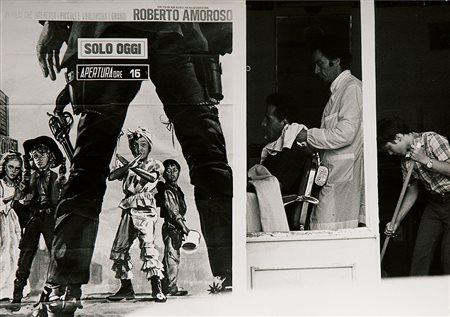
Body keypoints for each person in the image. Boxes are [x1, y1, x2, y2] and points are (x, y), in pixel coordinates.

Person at [36, 21, 232, 303]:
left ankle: (230, 275)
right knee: (90, 160)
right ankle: (63, 283)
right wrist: (54, 19)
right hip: (115, 27)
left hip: (169, 27)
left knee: (209, 156)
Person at [295, 35, 364, 230]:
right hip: (332, 177)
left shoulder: (352, 89)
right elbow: (329, 138)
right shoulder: (337, 92)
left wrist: (308, 135)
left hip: (343, 180)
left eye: (320, 64)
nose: (317, 71)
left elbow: (345, 134)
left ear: (336, 61)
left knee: (330, 234)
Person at [378, 117, 450, 275]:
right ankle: (415, 296)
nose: (390, 154)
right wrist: (396, 220)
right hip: (435, 204)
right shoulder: (405, 160)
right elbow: (412, 192)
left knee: (447, 258)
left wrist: (425, 160)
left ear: (398, 137)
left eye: (389, 148)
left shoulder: (432, 140)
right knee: (420, 255)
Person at [107, 127, 166, 302]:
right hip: (128, 209)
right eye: (135, 145)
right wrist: (128, 165)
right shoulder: (129, 165)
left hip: (145, 209)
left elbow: (152, 178)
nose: (138, 149)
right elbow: (111, 176)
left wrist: (132, 167)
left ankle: (157, 288)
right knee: (119, 248)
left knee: (148, 247)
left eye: (143, 145)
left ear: (149, 147)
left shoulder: (155, 164)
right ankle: (126, 288)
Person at [11, 136, 65, 304]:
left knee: (56, 253)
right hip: (34, 217)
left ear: (50, 157)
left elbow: (63, 200)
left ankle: (57, 291)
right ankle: (17, 293)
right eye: (35, 156)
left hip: (50, 217)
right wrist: (22, 187)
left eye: (42, 155)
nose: (39, 160)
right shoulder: (29, 177)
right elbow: (19, 198)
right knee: (26, 252)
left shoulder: (58, 178)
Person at [257, 93, 310, 230]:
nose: (263, 123)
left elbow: (273, 188)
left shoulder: (293, 151)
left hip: (279, 219)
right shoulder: (277, 150)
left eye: (268, 119)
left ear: (285, 123)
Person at [156, 159, 190, 296]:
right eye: (168, 171)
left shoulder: (177, 189)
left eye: (174, 170)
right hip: (172, 226)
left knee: (170, 256)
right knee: (172, 257)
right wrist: (184, 227)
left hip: (175, 227)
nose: (172, 173)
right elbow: (174, 212)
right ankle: (171, 287)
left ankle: (167, 286)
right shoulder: (168, 190)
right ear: (164, 174)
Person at [0, 152, 24, 300]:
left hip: (13, 222)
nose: (13, 171)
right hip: (1, 219)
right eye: (11, 167)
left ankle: (7, 291)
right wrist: (12, 197)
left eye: (17, 168)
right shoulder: (0, 183)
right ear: (4, 167)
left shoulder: (19, 185)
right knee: (2, 254)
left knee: (13, 253)